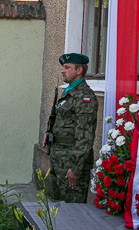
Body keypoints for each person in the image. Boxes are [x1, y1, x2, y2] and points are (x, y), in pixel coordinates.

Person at [42, 53, 98, 203]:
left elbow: (85, 138)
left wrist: (75, 168)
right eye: (63, 67)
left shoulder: (84, 97)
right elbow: (61, 119)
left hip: (71, 160)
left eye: (67, 67)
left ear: (79, 70)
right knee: (59, 204)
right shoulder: (68, 92)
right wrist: (49, 132)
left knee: (72, 208)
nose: (62, 71)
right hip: (59, 157)